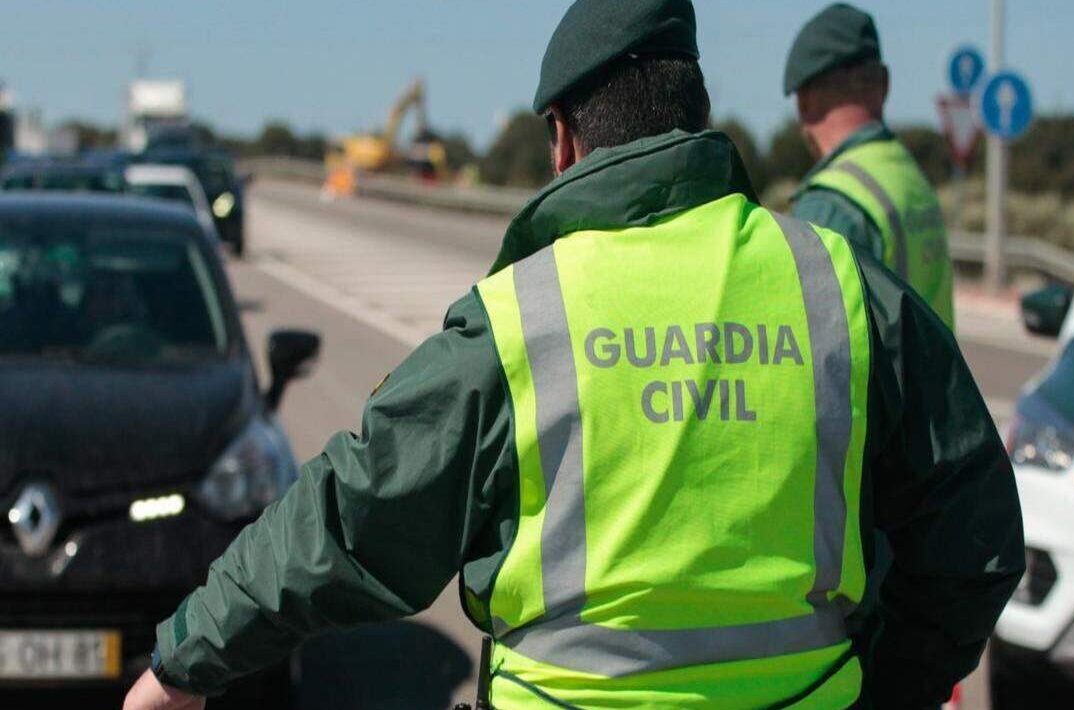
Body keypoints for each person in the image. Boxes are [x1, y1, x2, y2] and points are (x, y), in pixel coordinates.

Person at [124, 1, 1022, 708]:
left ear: (565, 137)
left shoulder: (520, 318)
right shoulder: (838, 287)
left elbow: (349, 520)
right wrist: (880, 689)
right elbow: (975, 533)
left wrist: (184, 661)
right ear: (695, 118)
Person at [786, 3, 956, 329]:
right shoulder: (908, 175)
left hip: (879, 382)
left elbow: (808, 352)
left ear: (804, 101)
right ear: (885, 84)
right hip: (930, 379)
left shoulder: (832, 202)